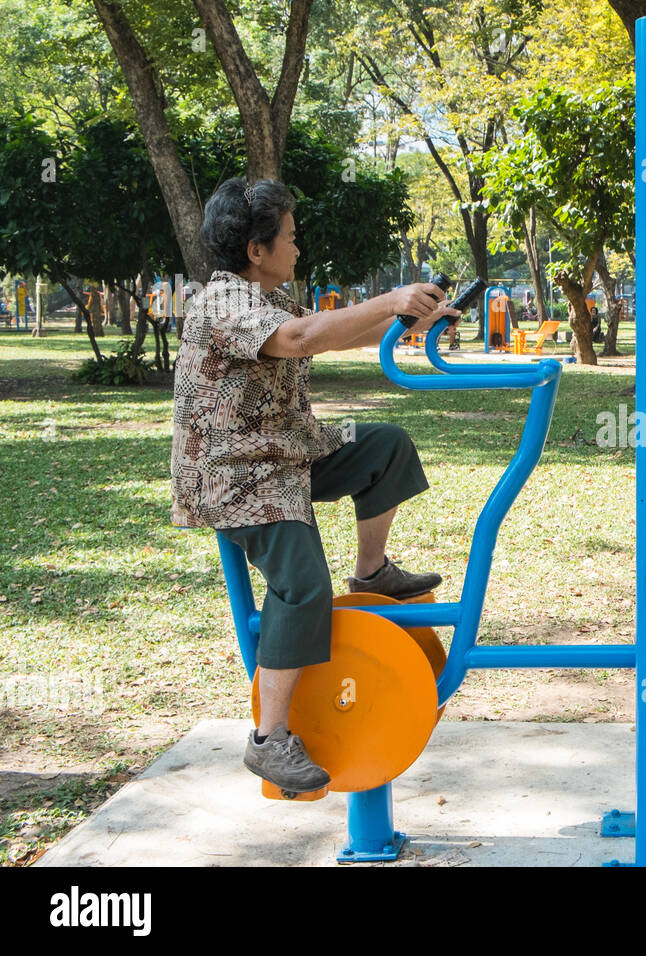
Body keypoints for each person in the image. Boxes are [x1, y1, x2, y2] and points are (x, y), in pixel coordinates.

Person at [170, 177, 461, 794]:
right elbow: (302, 339)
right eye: (291, 237)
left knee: (383, 445)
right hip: (237, 472)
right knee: (303, 587)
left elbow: (328, 336)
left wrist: (412, 318)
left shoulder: (268, 303)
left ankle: (373, 571)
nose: (298, 249)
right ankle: (268, 738)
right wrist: (389, 299)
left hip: (288, 450)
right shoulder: (222, 304)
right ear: (256, 249)